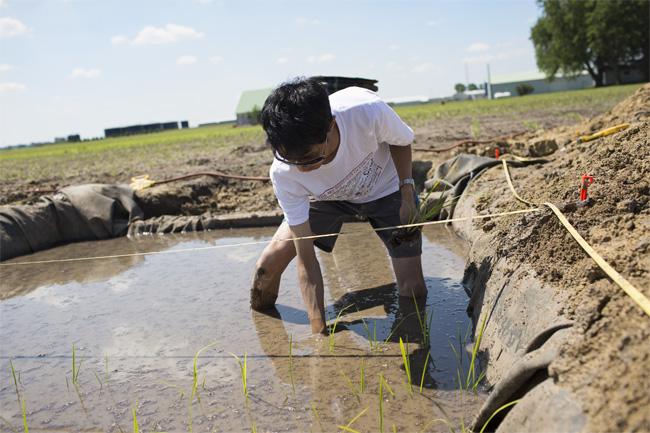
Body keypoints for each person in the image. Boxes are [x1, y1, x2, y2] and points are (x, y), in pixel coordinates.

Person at [250, 77, 426, 334]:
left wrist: (407, 194)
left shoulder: (366, 112)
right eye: (291, 159)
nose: (301, 169)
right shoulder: (283, 172)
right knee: (268, 264)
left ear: (330, 126)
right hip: (326, 198)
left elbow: (401, 140)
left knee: (413, 288)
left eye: (310, 158)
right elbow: (307, 261)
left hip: (384, 188)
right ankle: (261, 323)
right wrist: (319, 330)